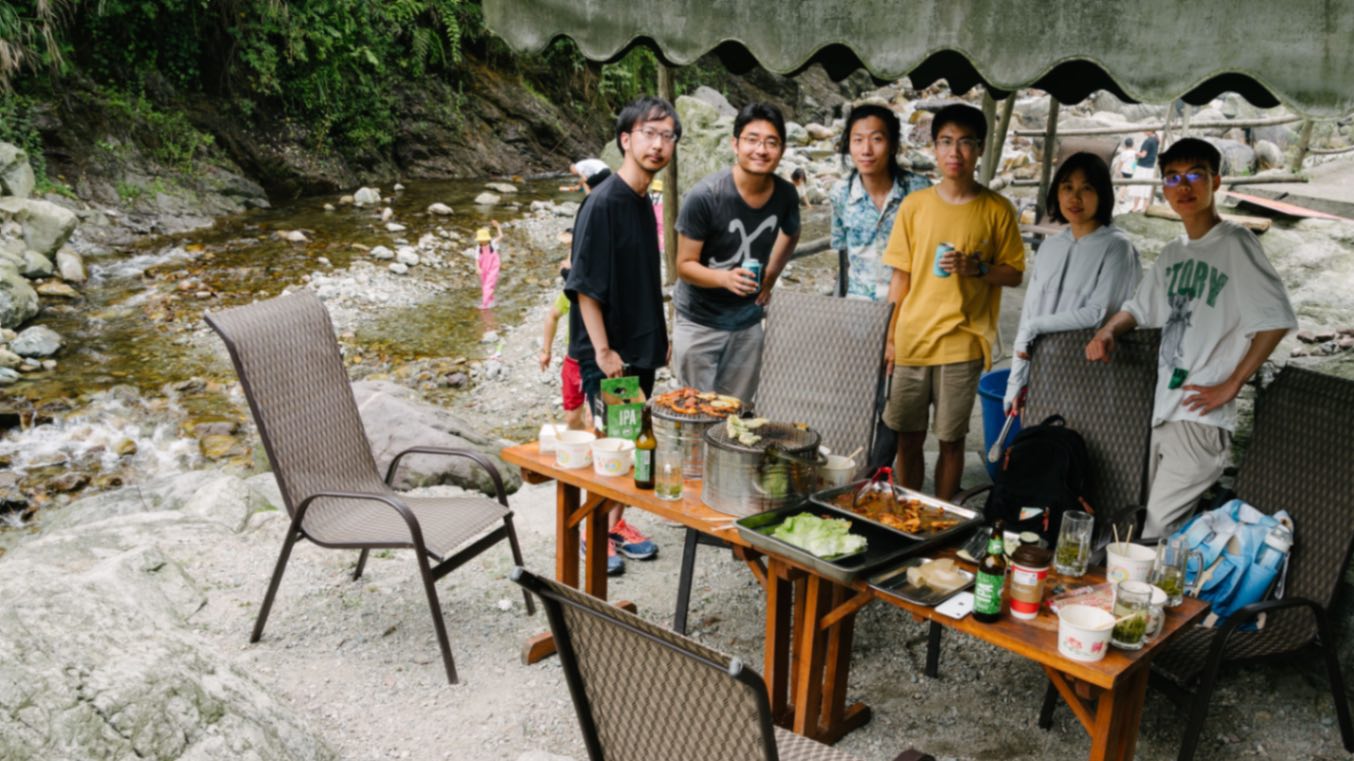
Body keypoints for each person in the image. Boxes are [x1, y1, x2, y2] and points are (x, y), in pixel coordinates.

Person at [1085, 138, 1296, 540]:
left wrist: (1232, 385)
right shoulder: (1173, 252)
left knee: (1155, 531)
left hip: (1201, 416)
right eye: (1173, 177)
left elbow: (1275, 321)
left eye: (1196, 174)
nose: (1184, 186)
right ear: (1162, 186)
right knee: (1146, 523)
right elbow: (1140, 308)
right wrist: (1109, 330)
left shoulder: (1236, 243)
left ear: (1216, 181)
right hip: (1165, 407)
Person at [880, 103, 1025, 501]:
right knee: (907, 439)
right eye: (946, 142)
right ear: (933, 147)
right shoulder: (914, 206)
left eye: (965, 143)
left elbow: (1013, 273)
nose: (954, 152)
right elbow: (900, 278)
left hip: (962, 342)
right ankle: (909, 519)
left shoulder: (997, 209)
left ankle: (941, 519)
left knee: (950, 440)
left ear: (979, 149)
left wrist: (977, 268)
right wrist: (890, 338)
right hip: (912, 340)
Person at [565, 95, 681, 574]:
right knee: (612, 444)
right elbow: (585, 287)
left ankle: (612, 523)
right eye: (649, 134)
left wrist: (659, 333)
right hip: (609, 355)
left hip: (639, 347)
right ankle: (592, 532)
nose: (658, 144)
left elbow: (638, 276)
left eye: (667, 135)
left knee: (632, 442)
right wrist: (604, 350)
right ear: (626, 140)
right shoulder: (604, 201)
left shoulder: (641, 199)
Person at [673, 102, 801, 405]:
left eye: (772, 142)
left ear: (781, 150)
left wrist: (770, 277)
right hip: (699, 320)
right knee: (696, 410)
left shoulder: (785, 194)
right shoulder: (706, 196)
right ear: (735, 144)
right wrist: (724, 279)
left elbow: (792, 233)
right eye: (752, 139)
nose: (761, 149)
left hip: (746, 321)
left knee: (736, 412)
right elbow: (684, 265)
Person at [829, 103, 931, 471]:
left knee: (896, 404)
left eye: (876, 139)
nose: (866, 149)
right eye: (858, 140)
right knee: (856, 400)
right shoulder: (841, 194)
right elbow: (841, 256)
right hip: (857, 314)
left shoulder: (918, 191)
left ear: (892, 144)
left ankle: (880, 475)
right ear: (848, 145)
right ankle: (852, 473)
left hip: (907, 313)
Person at [1003, 152, 1141, 409]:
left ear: (1102, 195)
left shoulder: (1116, 247)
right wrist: (1016, 380)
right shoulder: (1051, 246)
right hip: (1041, 369)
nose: (1075, 198)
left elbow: (1098, 314)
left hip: (1087, 375)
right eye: (1067, 187)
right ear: (1057, 192)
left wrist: (1034, 327)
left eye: (1086, 188)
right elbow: (1030, 312)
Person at [541, 229, 590, 431]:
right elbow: (552, 317)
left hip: (596, 360)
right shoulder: (568, 294)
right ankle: (580, 448)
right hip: (574, 359)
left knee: (594, 417)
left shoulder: (599, 291)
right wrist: (546, 351)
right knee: (571, 418)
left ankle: (595, 453)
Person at [1128, 130, 1160, 213]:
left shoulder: (1147, 141)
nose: (1143, 131)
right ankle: (1144, 208)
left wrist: (1135, 153)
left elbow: (1143, 155)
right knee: (1146, 188)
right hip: (1150, 167)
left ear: (1150, 131)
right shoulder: (1156, 140)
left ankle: (1135, 207)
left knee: (1138, 187)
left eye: (1146, 130)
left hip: (1142, 166)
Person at [475, 220, 503, 310]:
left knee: (487, 285)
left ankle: (485, 305)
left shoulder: (493, 244)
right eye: (480, 240)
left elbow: (501, 236)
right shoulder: (478, 247)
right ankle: (491, 300)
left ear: (487, 239)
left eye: (483, 239)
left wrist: (498, 226)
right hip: (484, 268)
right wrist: (478, 268)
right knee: (485, 285)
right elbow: (476, 259)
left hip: (493, 267)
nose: (482, 241)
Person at [1111, 137, 1136, 208]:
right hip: (1130, 171)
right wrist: (1134, 169)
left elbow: (1121, 162)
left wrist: (1118, 170)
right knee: (1125, 185)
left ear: (1125, 145)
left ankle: (1119, 193)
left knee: (1123, 184)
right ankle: (1120, 198)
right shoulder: (1135, 153)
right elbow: (1135, 163)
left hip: (1123, 170)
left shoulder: (1124, 153)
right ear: (1132, 144)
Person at [649, 178, 665, 253]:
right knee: (661, 233)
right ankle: (661, 248)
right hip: (660, 218)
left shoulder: (649, 196)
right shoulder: (663, 197)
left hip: (650, 217)